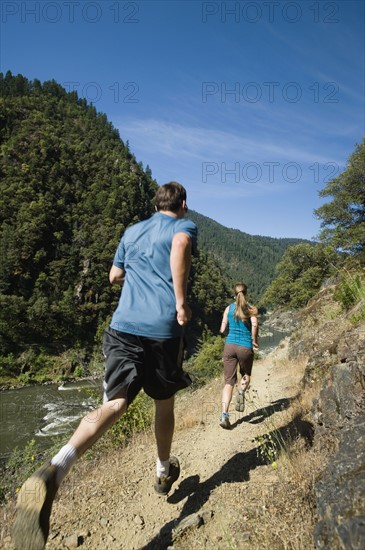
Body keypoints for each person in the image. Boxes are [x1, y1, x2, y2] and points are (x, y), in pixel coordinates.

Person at [12, 182, 197, 550]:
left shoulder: (131, 231)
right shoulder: (184, 227)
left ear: (155, 203)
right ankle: (163, 470)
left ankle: (56, 468)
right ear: (183, 204)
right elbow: (179, 248)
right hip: (162, 332)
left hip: (121, 327)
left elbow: (114, 276)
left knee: (114, 404)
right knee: (164, 403)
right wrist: (179, 301)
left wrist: (140, 277)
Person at [219, 282, 259, 429]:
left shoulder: (228, 308)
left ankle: (224, 415)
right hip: (245, 347)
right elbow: (254, 325)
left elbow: (223, 329)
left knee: (228, 382)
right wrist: (254, 340)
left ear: (234, 295)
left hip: (229, 346)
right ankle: (241, 392)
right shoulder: (251, 309)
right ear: (246, 294)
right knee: (246, 374)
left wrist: (226, 334)